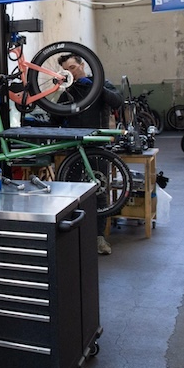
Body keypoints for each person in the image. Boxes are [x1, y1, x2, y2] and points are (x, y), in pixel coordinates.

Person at [51, 54, 124, 255]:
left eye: (73, 67)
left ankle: (99, 238)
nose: (71, 72)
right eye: (66, 70)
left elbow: (117, 101)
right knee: (70, 192)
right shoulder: (70, 90)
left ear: (83, 65)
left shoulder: (100, 83)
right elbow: (55, 117)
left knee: (99, 193)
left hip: (98, 146)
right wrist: (58, 91)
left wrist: (95, 87)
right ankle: (73, 237)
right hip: (74, 146)